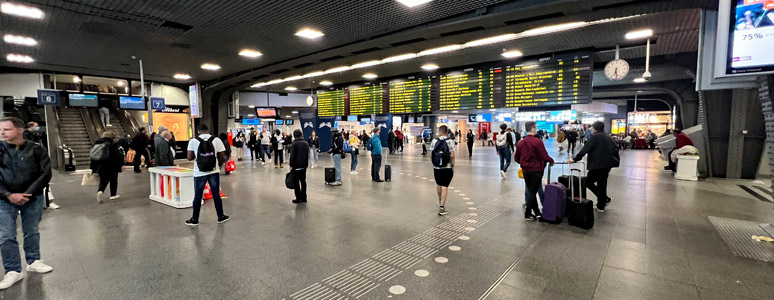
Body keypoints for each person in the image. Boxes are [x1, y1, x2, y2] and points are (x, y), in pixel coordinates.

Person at [0, 117, 53, 289]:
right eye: (1, 130)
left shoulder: (36, 150)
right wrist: (8, 195)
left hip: (32, 197)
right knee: (6, 234)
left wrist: (28, 193)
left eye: (7, 129)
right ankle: (13, 270)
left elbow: (45, 173)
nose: (2, 133)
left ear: (20, 130)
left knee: (32, 230)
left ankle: (34, 260)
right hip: (4, 199)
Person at [568, 121, 620, 212]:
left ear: (595, 129)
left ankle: (604, 199)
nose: (591, 129)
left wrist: (575, 159)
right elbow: (615, 148)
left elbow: (585, 149)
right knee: (602, 183)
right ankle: (601, 206)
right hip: (607, 165)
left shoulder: (595, 137)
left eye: (592, 127)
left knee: (588, 182)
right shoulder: (608, 137)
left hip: (598, 165)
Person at [185, 124, 229, 226]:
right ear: (208, 130)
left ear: (198, 131)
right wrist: (218, 165)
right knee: (216, 194)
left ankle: (195, 219)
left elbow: (189, 158)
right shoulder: (217, 140)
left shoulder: (193, 141)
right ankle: (220, 216)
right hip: (213, 171)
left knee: (198, 196)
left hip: (199, 172)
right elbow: (222, 156)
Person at [514, 121, 554, 221]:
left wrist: (523, 163)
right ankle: (527, 213)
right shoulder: (538, 141)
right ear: (532, 129)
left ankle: (537, 213)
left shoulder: (521, 142)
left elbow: (516, 158)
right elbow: (544, 155)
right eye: (535, 128)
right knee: (533, 192)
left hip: (526, 170)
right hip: (536, 170)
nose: (536, 129)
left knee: (531, 190)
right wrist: (551, 160)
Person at [91, 131, 123, 203]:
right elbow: (116, 155)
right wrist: (120, 165)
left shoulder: (97, 143)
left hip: (100, 166)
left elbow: (93, 157)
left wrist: (93, 168)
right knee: (113, 180)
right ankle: (113, 195)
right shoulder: (112, 144)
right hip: (112, 165)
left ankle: (100, 191)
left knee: (103, 181)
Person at [431, 125, 456, 216]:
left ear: (439, 131)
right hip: (447, 167)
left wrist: (434, 164)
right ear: (447, 132)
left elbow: (432, 154)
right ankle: (442, 207)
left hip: (437, 167)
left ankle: (440, 200)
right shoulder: (450, 141)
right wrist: (453, 166)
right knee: (445, 186)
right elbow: (452, 155)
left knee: (438, 184)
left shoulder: (434, 141)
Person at [289, 129, 309, 204]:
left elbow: (292, 155)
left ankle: (298, 198)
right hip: (304, 166)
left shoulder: (294, 144)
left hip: (296, 166)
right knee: (303, 182)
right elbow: (307, 155)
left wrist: (291, 165)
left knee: (296, 182)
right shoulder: (306, 143)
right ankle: (304, 197)